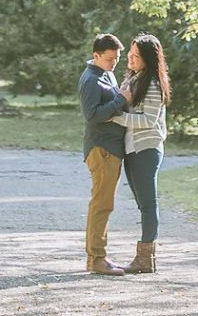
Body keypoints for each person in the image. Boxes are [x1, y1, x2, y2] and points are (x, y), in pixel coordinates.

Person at [108, 33, 170, 275]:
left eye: (136, 56)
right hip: (133, 148)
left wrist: (117, 118)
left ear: (148, 59)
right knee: (143, 203)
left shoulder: (152, 83)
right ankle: (146, 259)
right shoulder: (135, 78)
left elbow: (149, 120)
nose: (130, 59)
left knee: (148, 204)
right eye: (130, 55)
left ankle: (145, 259)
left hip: (147, 148)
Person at [78, 32, 130, 276]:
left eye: (117, 58)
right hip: (101, 149)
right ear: (96, 55)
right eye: (110, 58)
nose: (114, 63)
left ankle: (98, 257)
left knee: (104, 204)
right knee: (102, 204)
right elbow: (92, 114)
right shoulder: (90, 79)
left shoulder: (105, 73)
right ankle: (97, 259)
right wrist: (121, 99)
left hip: (111, 148)